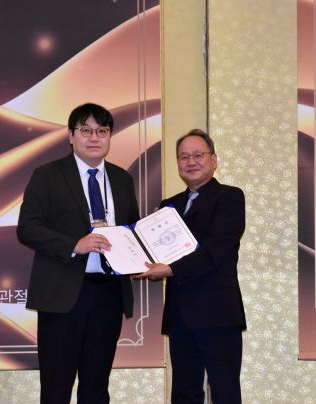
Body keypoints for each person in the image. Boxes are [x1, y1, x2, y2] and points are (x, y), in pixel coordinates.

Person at [17, 103, 140, 403]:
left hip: (109, 294)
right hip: (62, 296)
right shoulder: (47, 175)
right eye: (86, 130)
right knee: (56, 389)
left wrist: (139, 257)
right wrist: (75, 245)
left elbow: (132, 230)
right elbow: (28, 228)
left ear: (110, 136)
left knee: (96, 388)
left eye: (102, 131)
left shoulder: (122, 179)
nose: (94, 138)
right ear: (71, 136)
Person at [134, 128, 246, 404]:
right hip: (180, 313)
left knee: (225, 392)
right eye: (184, 157)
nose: (191, 162)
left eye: (198, 155)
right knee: (184, 393)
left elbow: (216, 249)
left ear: (213, 160)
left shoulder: (230, 197)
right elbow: (158, 254)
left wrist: (170, 269)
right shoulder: (168, 207)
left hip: (218, 313)